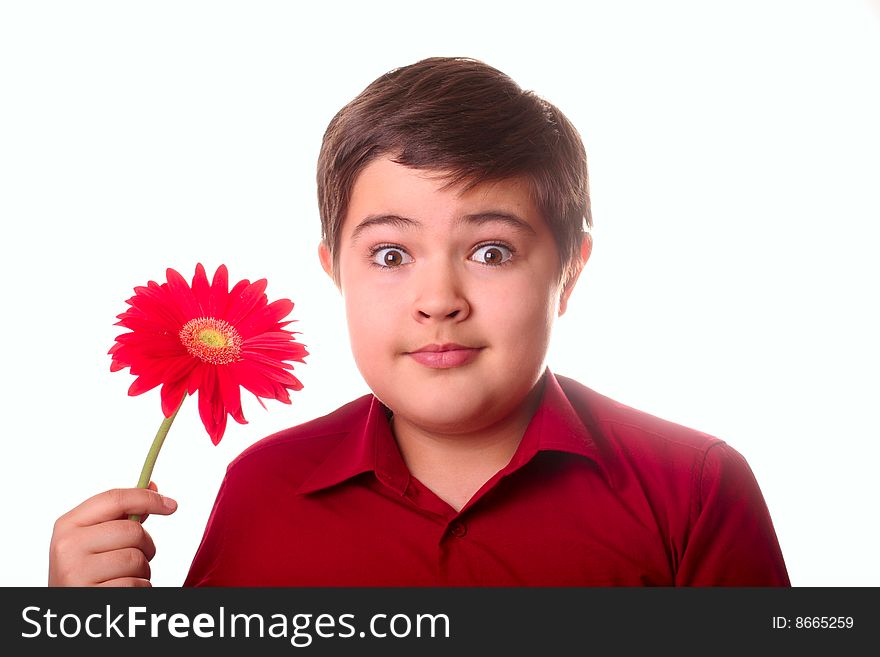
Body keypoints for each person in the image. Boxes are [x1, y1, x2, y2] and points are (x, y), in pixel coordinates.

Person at [48, 57, 790, 587]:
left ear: (570, 272)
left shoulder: (692, 491)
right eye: (392, 252)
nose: (439, 299)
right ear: (334, 270)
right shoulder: (261, 493)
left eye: (491, 250)